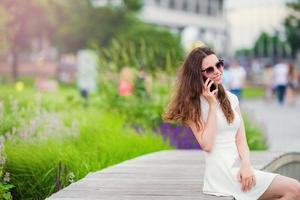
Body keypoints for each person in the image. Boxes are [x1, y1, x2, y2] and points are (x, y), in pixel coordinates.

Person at [162, 47, 300, 200]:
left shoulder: (231, 98)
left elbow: (241, 140)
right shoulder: (193, 106)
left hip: (239, 167)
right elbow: (207, 145)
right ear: (197, 75)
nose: (217, 71)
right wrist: (213, 105)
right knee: (294, 189)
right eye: (209, 69)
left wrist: (246, 165)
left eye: (219, 65)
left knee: (292, 190)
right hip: (222, 174)